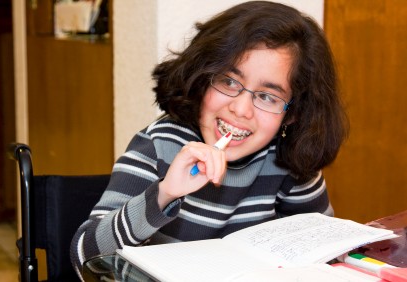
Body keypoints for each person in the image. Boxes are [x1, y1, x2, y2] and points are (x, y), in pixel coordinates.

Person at [70, 1, 349, 279]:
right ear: (202, 77)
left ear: (293, 114)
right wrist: (164, 193)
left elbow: (325, 254)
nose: (240, 109)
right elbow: (84, 257)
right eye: (228, 82)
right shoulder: (159, 145)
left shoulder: (289, 158)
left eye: (267, 96)